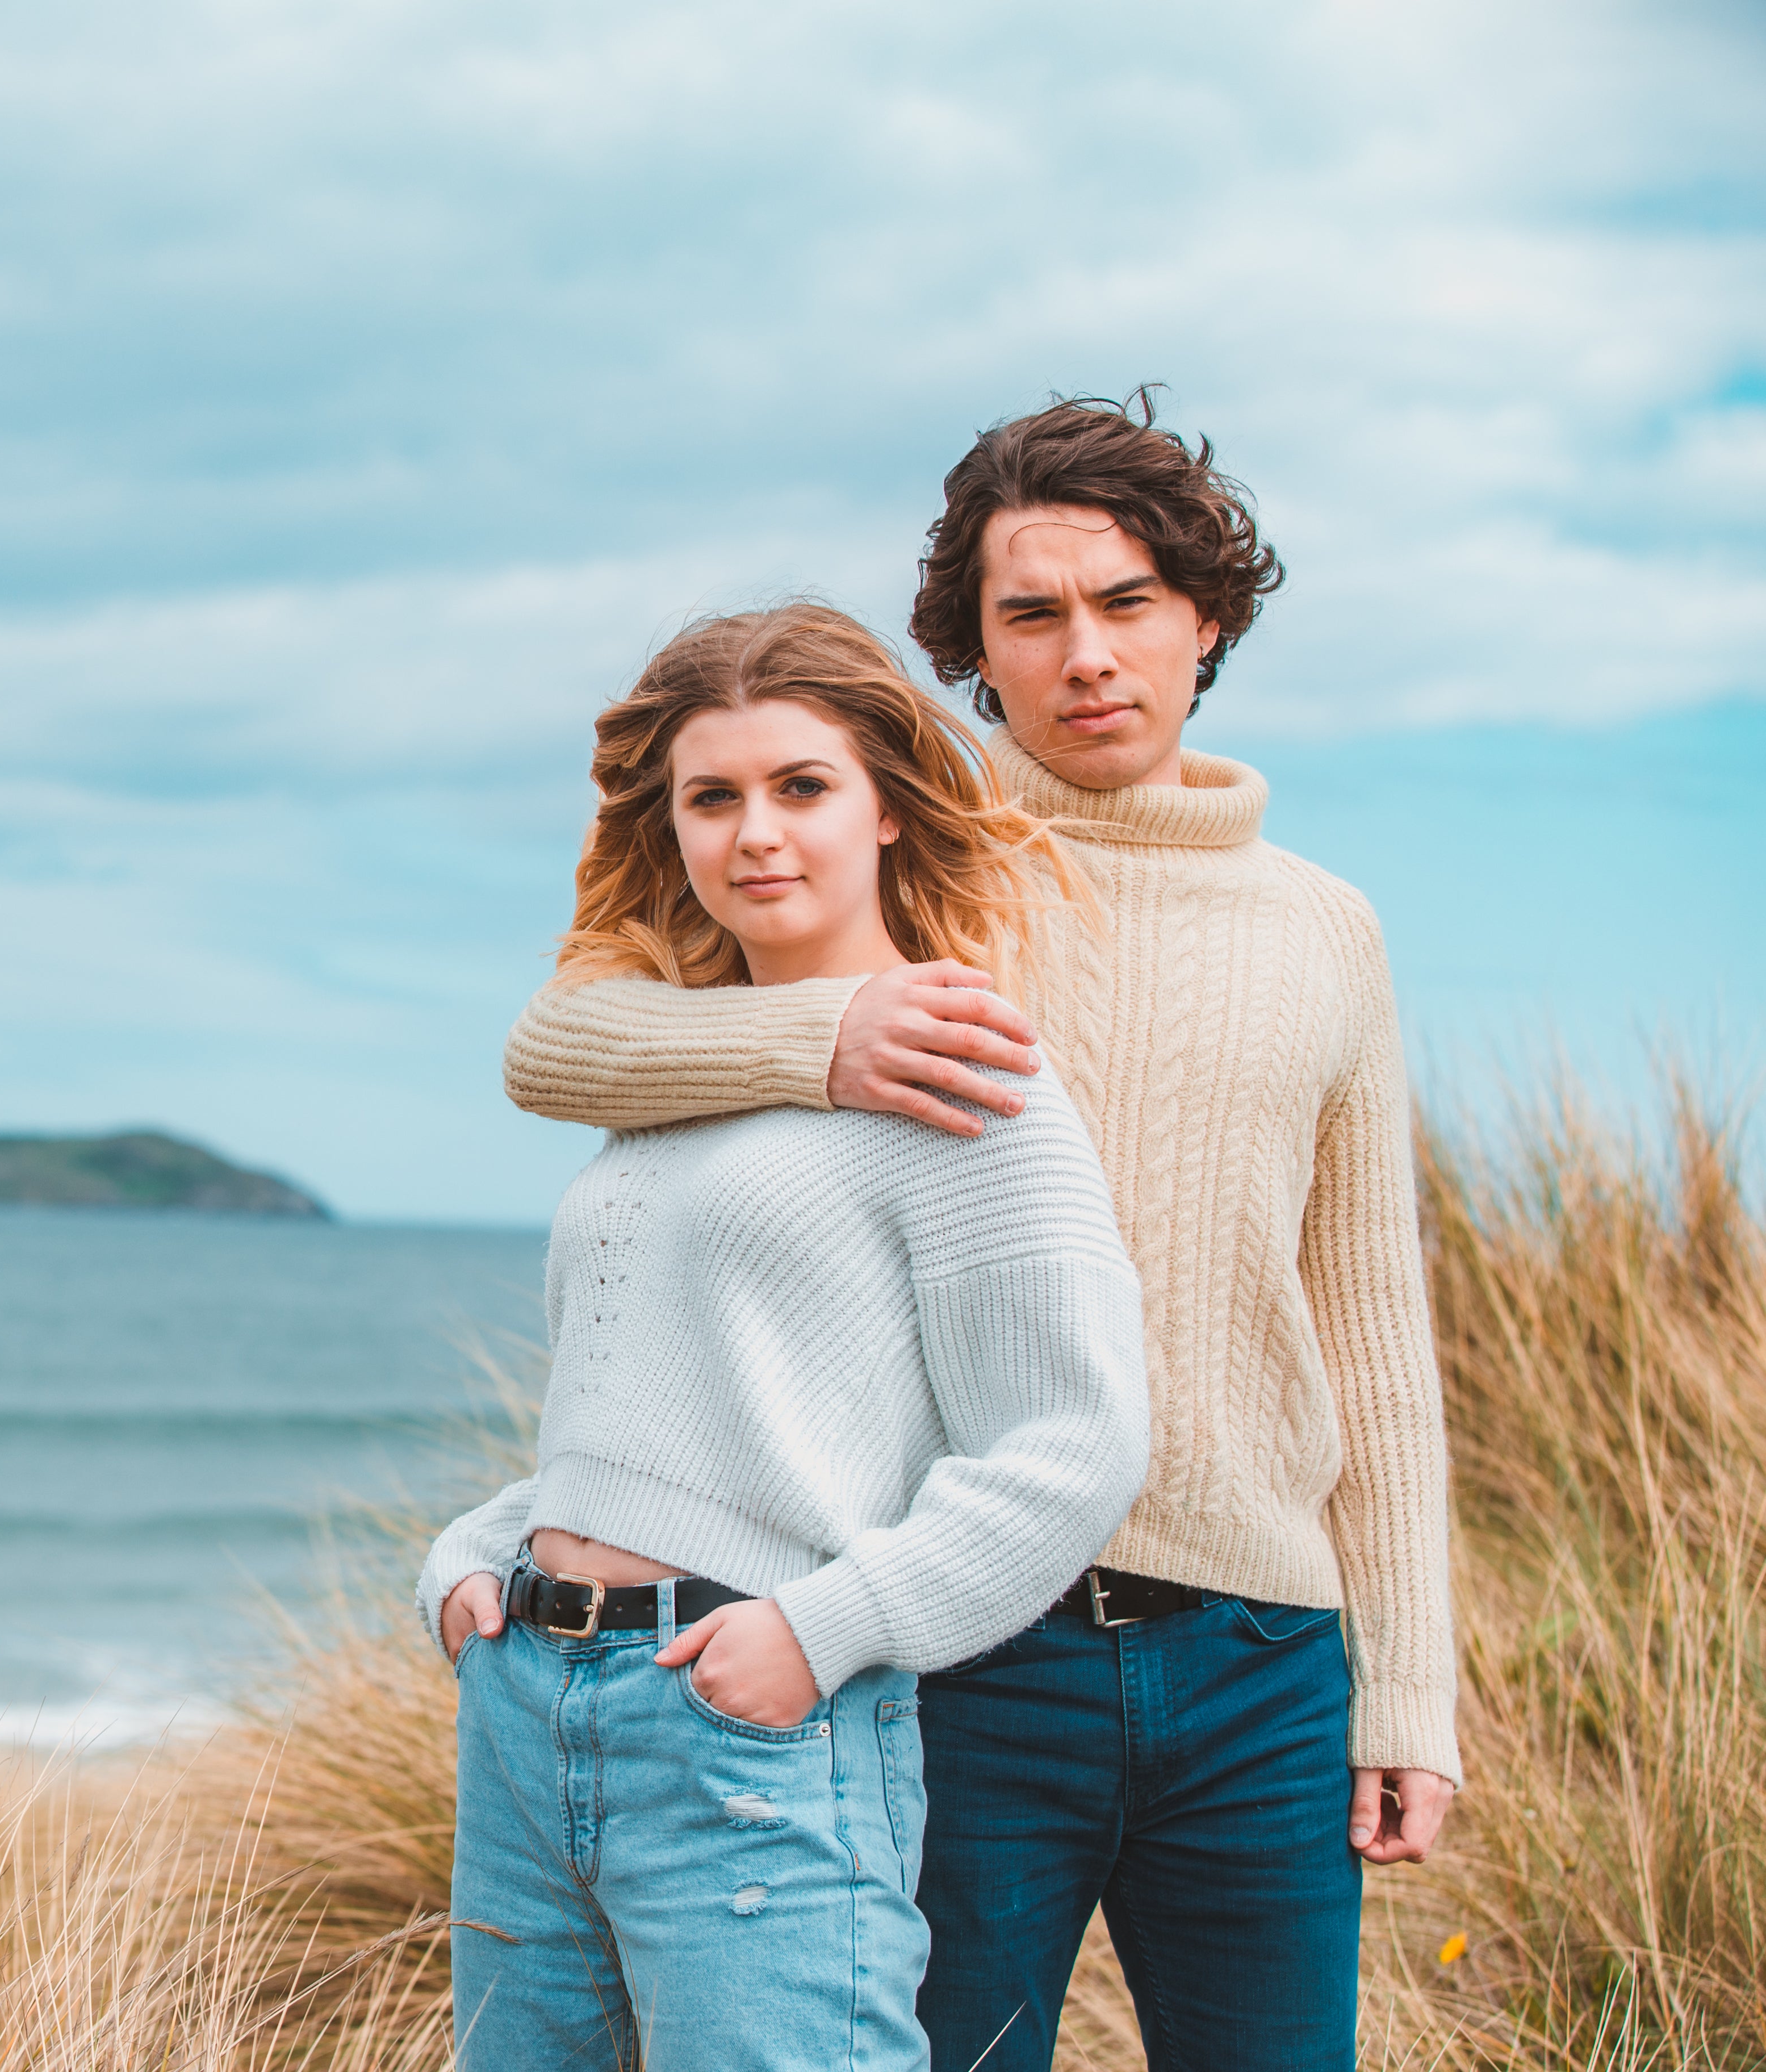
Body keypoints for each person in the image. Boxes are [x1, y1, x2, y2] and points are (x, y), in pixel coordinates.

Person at [497, 391, 1461, 2071]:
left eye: (1129, 603)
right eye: (1034, 614)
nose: (1088, 655)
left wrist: (1410, 1694)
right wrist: (823, 1037)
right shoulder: (899, 856)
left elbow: (1372, 1327)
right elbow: (560, 1048)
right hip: (957, 1646)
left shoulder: (1328, 929)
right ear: (974, 652)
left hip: (1260, 1663)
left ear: (1204, 621)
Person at [424, 602, 1150, 2072]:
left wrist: (821, 1637)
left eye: (802, 787)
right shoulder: (673, 1083)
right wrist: (486, 1549)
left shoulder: (966, 1078)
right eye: (714, 797)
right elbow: (669, 1400)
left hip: (747, 1728)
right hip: (530, 1714)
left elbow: (1076, 1442)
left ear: (887, 807)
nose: (756, 833)